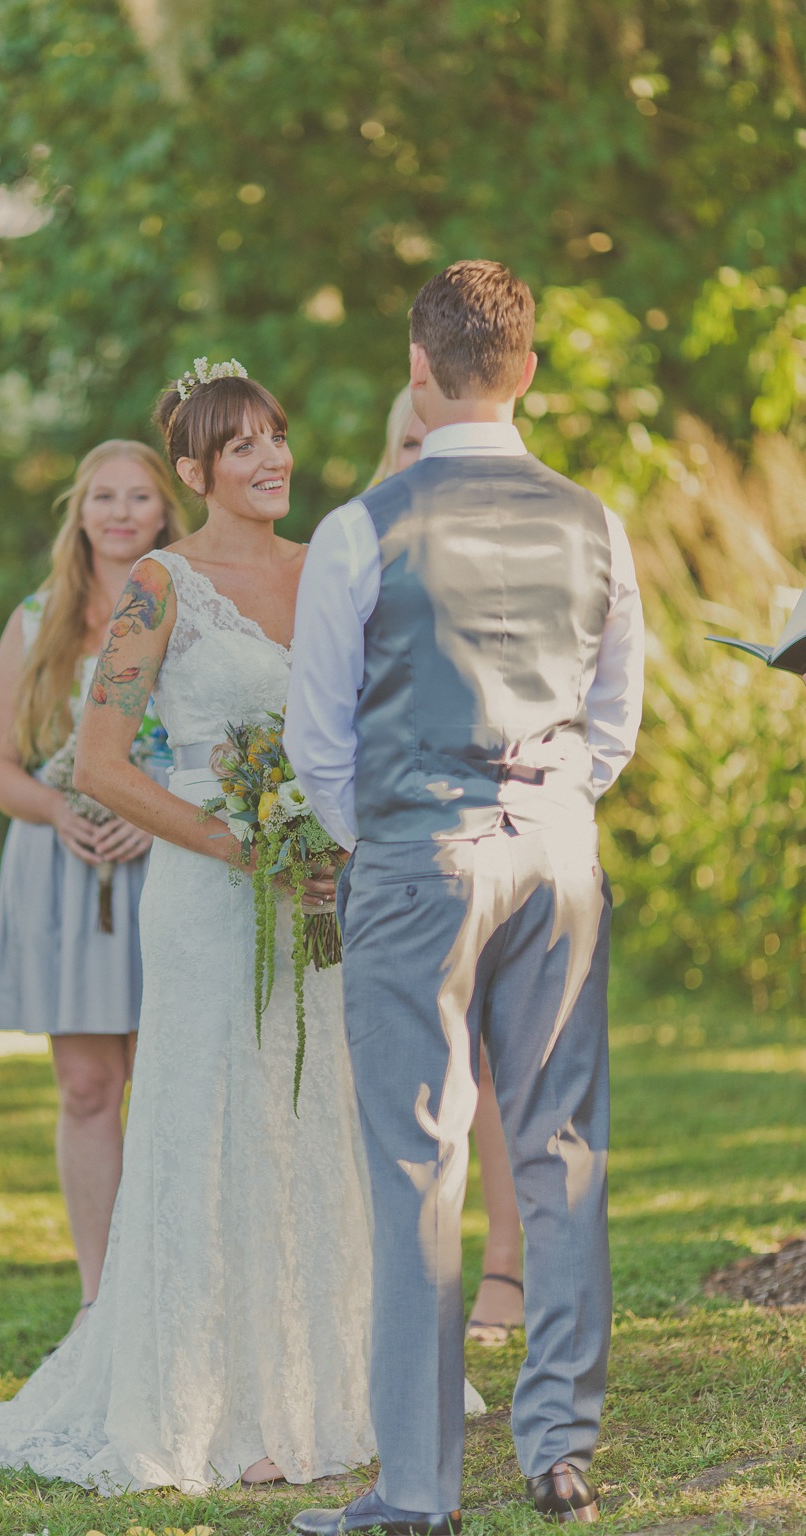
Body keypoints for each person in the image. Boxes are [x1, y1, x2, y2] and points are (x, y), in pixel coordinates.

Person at [0, 365, 413, 1489]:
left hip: (316, 890)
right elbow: (103, 762)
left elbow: (372, 728)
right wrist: (238, 845)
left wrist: (334, 848)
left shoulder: (335, 569)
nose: (269, 460)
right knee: (210, 1112)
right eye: (240, 447)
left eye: (277, 438)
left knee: (310, 1109)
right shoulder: (161, 586)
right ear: (195, 474)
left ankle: (328, 1382)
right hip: (209, 895)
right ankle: (216, 1397)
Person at [285, 260, 644, 1531]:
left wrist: (392, 835)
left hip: (414, 863)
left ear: (419, 373)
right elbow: (614, 721)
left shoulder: (355, 529)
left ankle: (420, 1490)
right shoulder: (594, 522)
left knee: (414, 1167)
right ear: (528, 372)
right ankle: (557, 1447)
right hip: (558, 856)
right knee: (559, 1153)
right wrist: (546, 808)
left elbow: (317, 739)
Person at [0, 441, 186, 1338]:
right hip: (66, 872)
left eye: (139, 496)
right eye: (103, 496)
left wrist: (157, 813)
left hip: (172, 861)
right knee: (89, 1084)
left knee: (172, 1075)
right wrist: (60, 812)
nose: (120, 511)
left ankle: (173, 1283)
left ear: (166, 510)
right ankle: (100, 1299)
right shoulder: (35, 620)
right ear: (80, 510)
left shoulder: (189, 606)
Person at [374, 386, 525, 1348]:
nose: (423, 452)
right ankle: (408, 1280)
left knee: (494, 1058)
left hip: (502, 830)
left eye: (435, 437)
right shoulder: (364, 547)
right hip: (390, 841)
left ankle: (505, 1265)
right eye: (407, 440)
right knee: (411, 1066)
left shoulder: (518, 542)